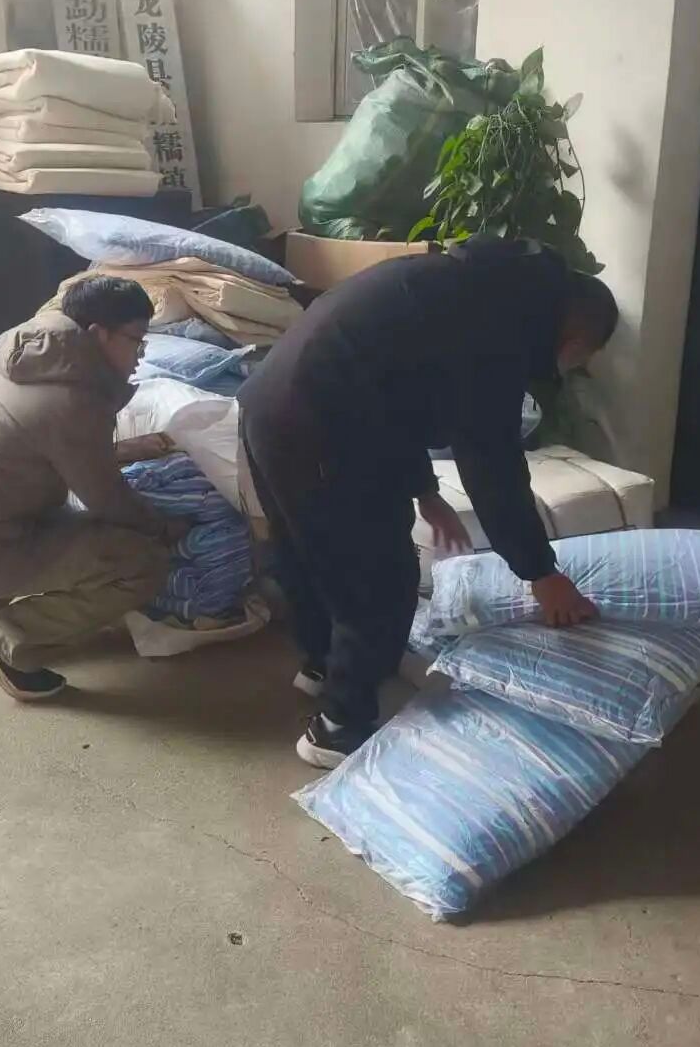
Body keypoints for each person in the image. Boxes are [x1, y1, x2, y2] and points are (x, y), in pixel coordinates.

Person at [238, 237, 619, 768]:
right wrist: (541, 573)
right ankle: (338, 727)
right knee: (379, 578)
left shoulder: (471, 287)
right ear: (576, 334)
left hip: (275, 407)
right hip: (323, 428)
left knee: (311, 557)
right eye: (583, 356)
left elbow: (402, 393)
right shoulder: (499, 333)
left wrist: (425, 491)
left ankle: (323, 666)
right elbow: (492, 464)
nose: (574, 366)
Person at [0, 276, 183, 701]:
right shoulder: (73, 399)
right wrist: (165, 527)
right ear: (98, 334)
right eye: (135, 341)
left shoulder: (33, 354)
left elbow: (44, 446)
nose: (140, 355)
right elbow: (108, 500)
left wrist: (125, 449)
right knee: (141, 561)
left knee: (56, 512)